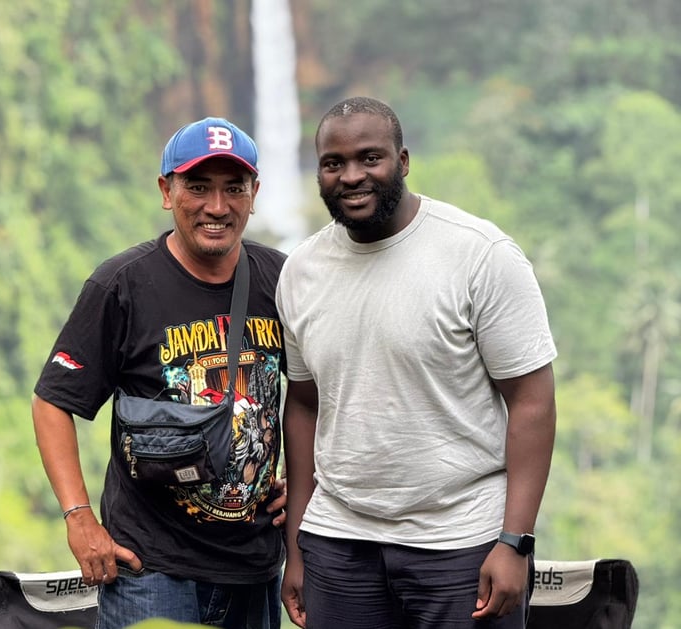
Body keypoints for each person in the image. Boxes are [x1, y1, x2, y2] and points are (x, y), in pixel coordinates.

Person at [276, 97, 557, 629]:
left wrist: (514, 542)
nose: (351, 176)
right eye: (333, 163)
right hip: (339, 544)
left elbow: (532, 402)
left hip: (462, 541)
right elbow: (305, 405)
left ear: (402, 161)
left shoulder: (479, 255)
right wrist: (297, 548)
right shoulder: (301, 271)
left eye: (370, 158)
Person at [32, 116, 288, 629]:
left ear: (254, 194)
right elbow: (53, 401)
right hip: (149, 571)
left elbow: (315, 393)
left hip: (255, 564)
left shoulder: (283, 280)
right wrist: (79, 517)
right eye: (198, 187)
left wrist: (306, 485)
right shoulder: (122, 285)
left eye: (234, 187)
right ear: (166, 192)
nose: (217, 206)